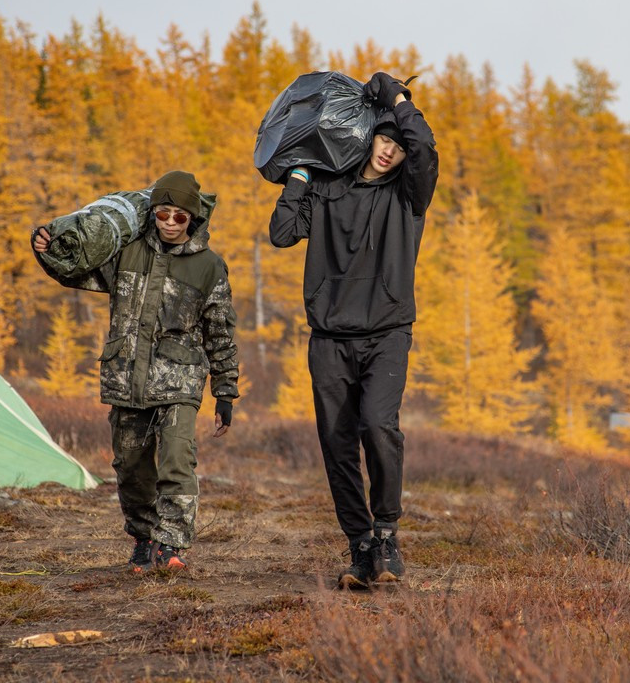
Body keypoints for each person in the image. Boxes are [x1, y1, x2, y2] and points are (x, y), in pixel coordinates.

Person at [269, 72, 438, 588]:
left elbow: (425, 147)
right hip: (329, 337)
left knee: (378, 426)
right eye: (382, 139)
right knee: (336, 441)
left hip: (387, 331)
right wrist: (299, 173)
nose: (390, 151)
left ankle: (386, 532)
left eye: (397, 145)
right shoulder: (328, 188)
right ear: (367, 139)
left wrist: (399, 100)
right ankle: (360, 545)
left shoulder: (408, 198)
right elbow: (281, 234)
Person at [32, 171, 239, 573]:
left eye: (180, 217)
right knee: (131, 469)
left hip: (179, 382)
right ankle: (144, 540)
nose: (170, 223)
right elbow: (76, 272)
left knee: (177, 461)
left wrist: (225, 391)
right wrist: (46, 250)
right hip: (126, 379)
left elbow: (220, 330)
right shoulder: (127, 253)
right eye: (162, 213)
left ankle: (172, 546)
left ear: (194, 219)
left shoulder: (210, 266)